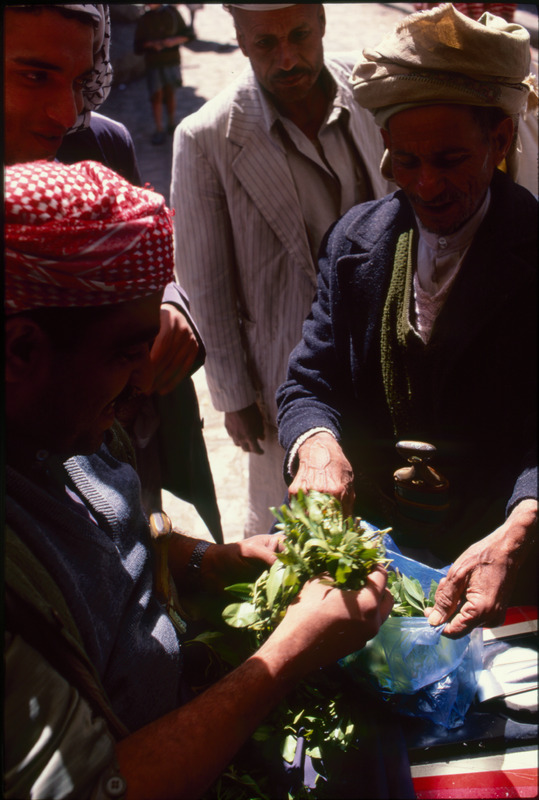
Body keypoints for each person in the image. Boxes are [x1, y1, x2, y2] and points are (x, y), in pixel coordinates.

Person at [4, 159, 398, 800]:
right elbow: (102, 787)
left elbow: (108, 545)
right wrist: (289, 652)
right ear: (21, 350)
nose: (145, 380)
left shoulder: (66, 430)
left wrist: (206, 562)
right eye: (125, 353)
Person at [277, 4, 537, 639]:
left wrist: (521, 526)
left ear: (500, 140)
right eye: (405, 161)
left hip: (513, 573)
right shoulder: (354, 244)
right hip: (382, 574)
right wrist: (316, 446)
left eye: (449, 160)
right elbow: (309, 382)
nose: (425, 185)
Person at [171, 3, 393, 538]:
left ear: (322, 22)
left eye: (299, 35)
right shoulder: (206, 136)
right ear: (240, 39)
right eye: (266, 43)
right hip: (283, 373)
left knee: (386, 521)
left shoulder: (371, 89)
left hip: (382, 356)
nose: (288, 58)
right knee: (300, 533)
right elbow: (205, 281)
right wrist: (234, 397)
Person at [4, 2, 223, 540]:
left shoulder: (98, 143)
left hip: (113, 457)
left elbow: (138, 253)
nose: (64, 112)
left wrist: (167, 304)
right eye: (34, 76)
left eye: (79, 81)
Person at [134, 3, 193, 145]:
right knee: (156, 96)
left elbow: (189, 35)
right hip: (153, 63)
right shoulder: (144, 18)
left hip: (171, 61)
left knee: (170, 93)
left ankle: (171, 124)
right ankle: (159, 129)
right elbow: (137, 46)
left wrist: (173, 41)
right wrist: (151, 44)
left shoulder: (172, 13)